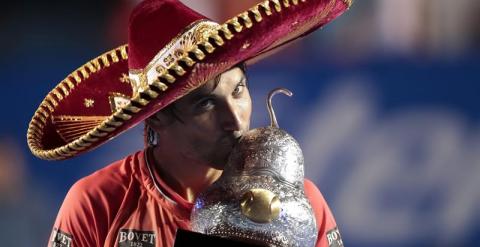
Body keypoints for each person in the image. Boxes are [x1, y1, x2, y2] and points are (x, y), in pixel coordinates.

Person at [26, 0, 352, 246]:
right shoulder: (96, 203)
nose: (235, 118)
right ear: (157, 117)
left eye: (238, 90)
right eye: (206, 103)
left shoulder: (300, 204)